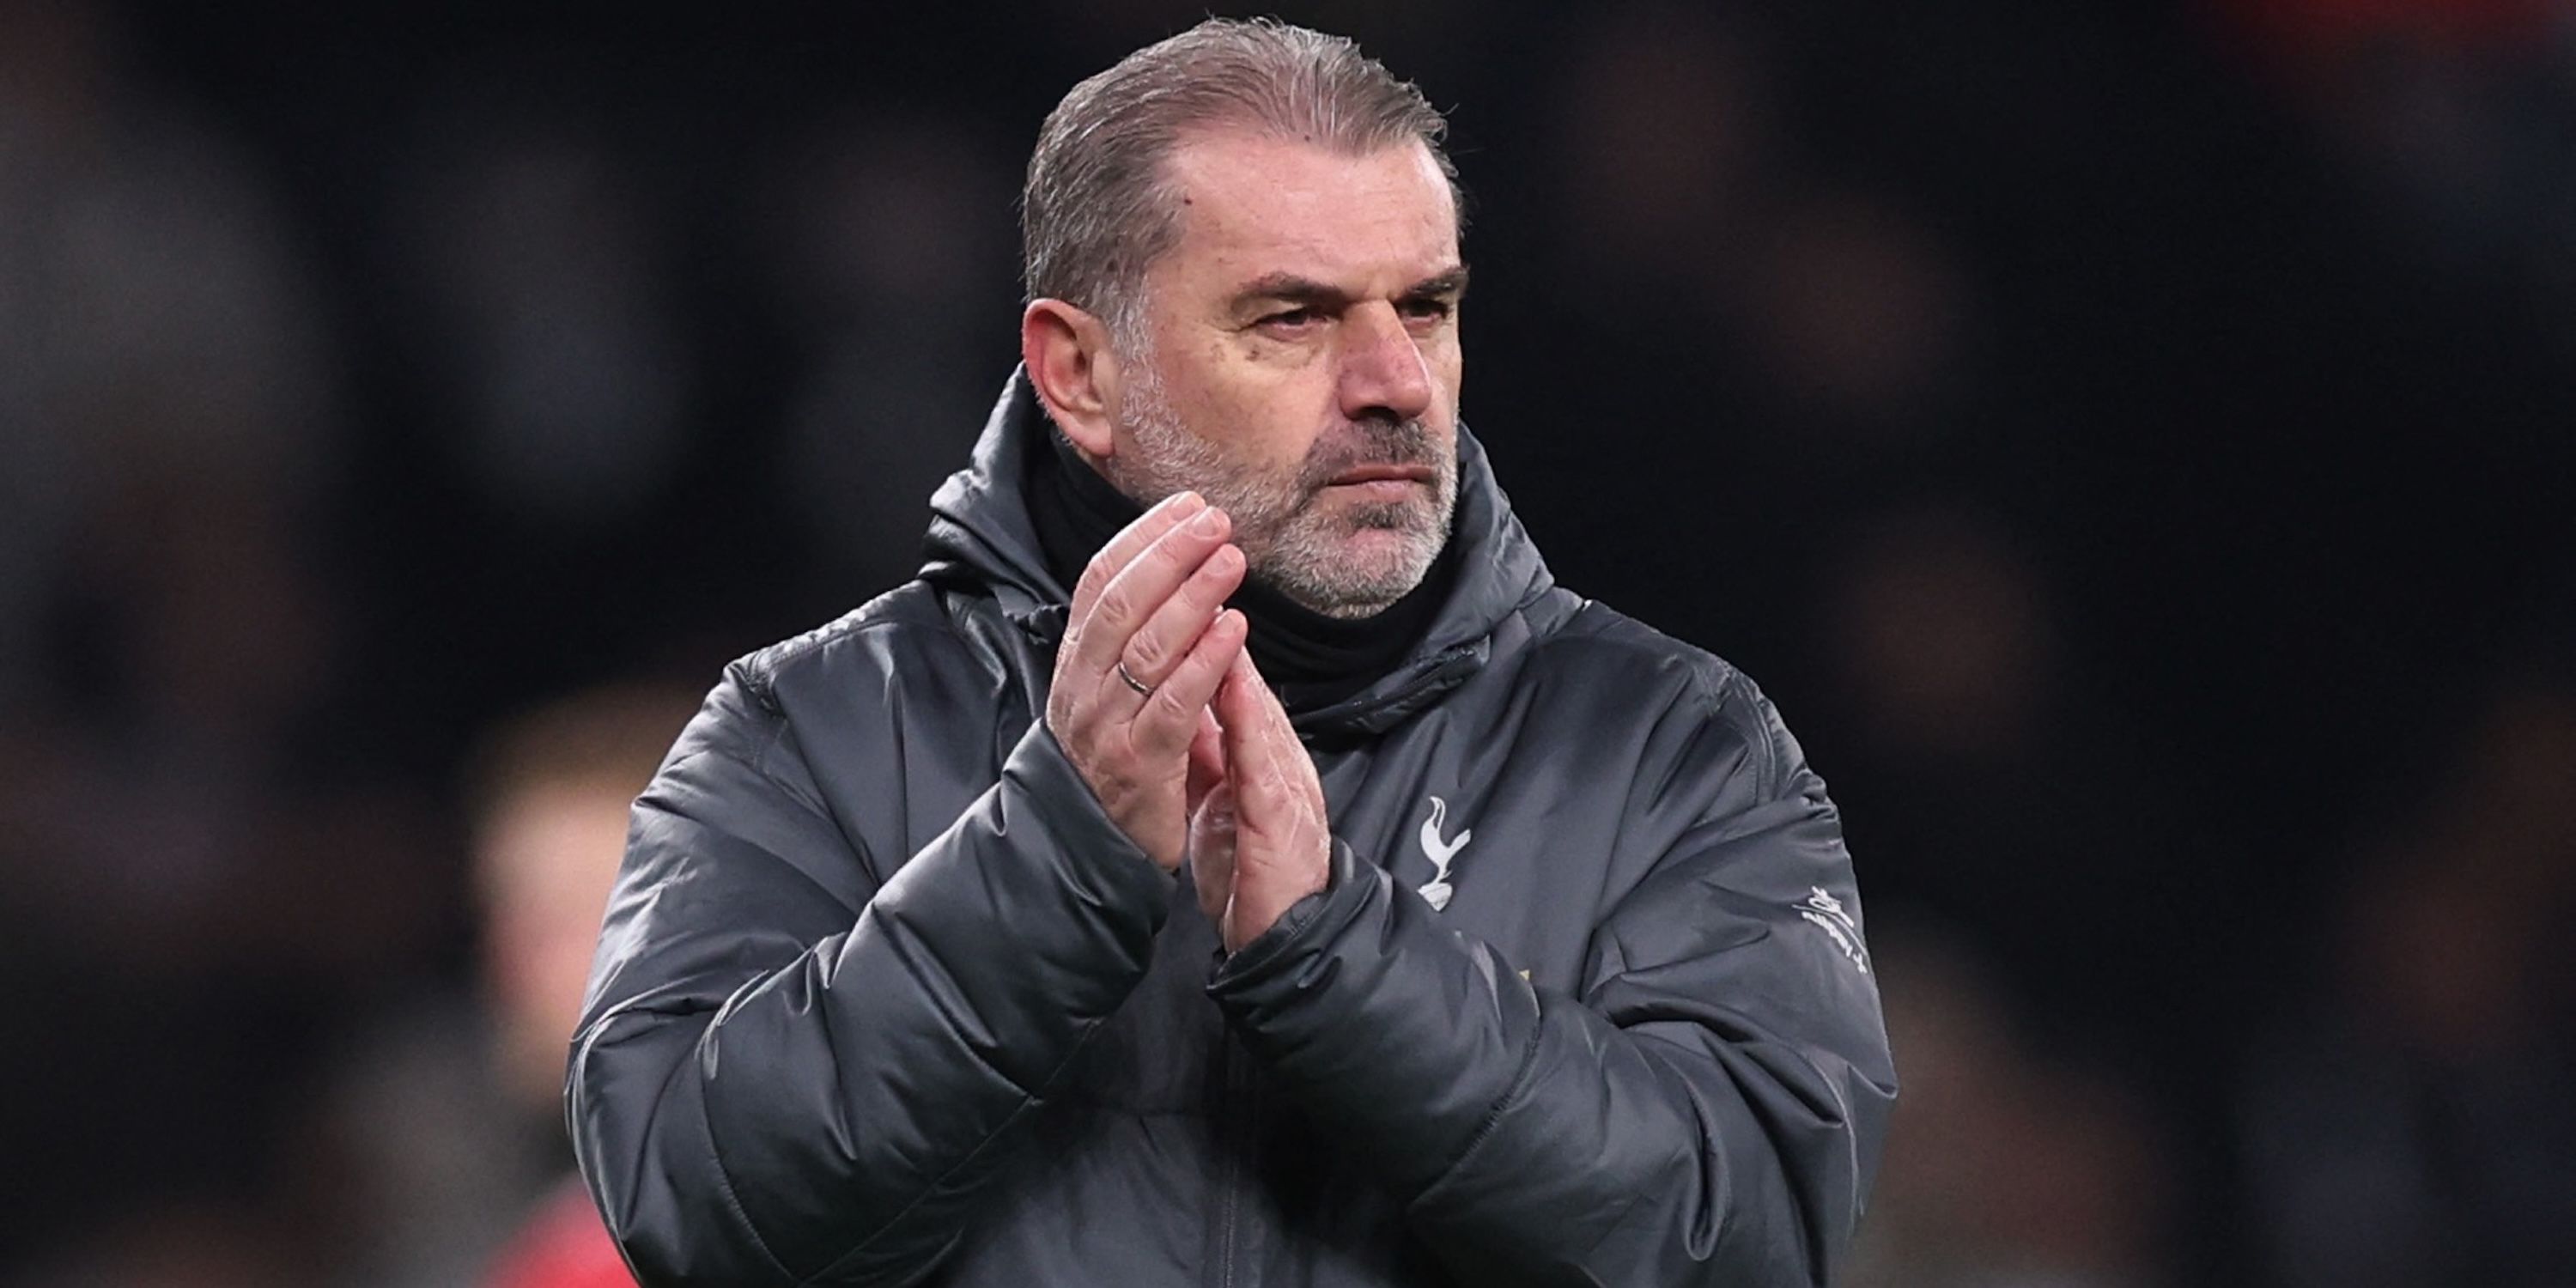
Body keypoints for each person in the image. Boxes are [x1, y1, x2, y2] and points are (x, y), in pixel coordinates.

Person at [569, 18, 1893, 1287]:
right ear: (1079, 375)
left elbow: (1748, 1244)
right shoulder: (809, 735)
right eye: (1292, 319)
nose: (1396, 382)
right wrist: (1058, 853)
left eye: (1425, 308)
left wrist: (1337, 951)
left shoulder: (1673, 750)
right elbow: (698, 1219)